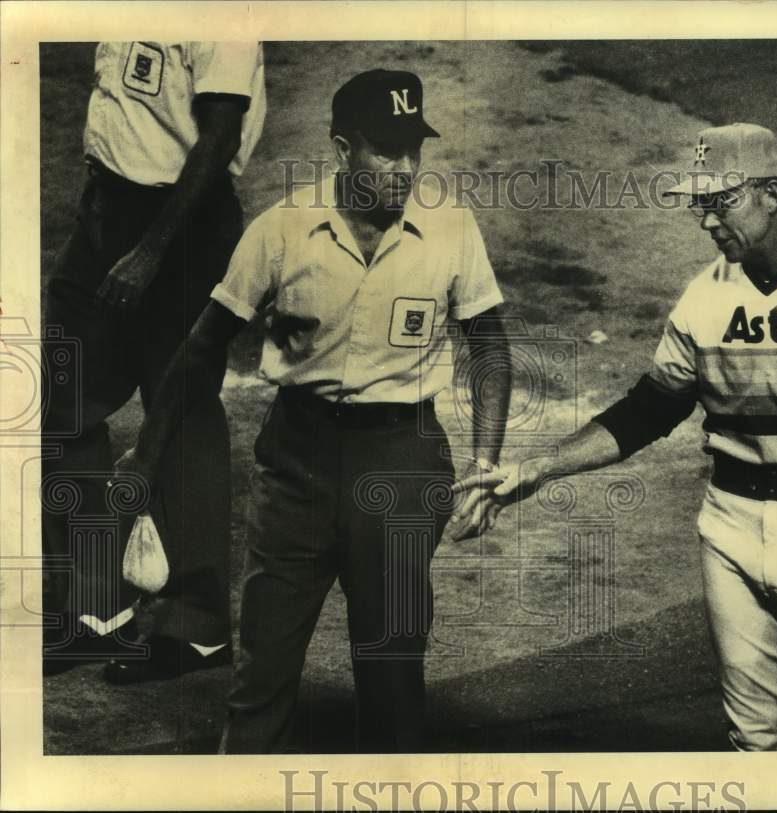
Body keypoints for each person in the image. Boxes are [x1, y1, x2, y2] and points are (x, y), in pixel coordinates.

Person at [454, 123, 777, 751]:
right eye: (699, 203)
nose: (707, 220)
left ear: (771, 193)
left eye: (721, 200)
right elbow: (649, 409)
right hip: (728, 526)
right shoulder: (703, 299)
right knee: (753, 735)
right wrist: (542, 467)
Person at [115, 68, 511, 752]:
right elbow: (202, 348)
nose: (405, 167)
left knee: (392, 675)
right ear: (341, 149)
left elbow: (491, 347)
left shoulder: (451, 229)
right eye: (386, 150)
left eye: (413, 149)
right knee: (261, 675)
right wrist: (146, 457)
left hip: (402, 460)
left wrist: (484, 460)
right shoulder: (281, 232)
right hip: (296, 462)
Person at [41, 42, 266, 683]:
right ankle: (95, 612)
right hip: (105, 208)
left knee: (183, 408)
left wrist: (150, 251)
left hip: (182, 219)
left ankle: (195, 628)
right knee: (60, 399)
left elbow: (219, 135)